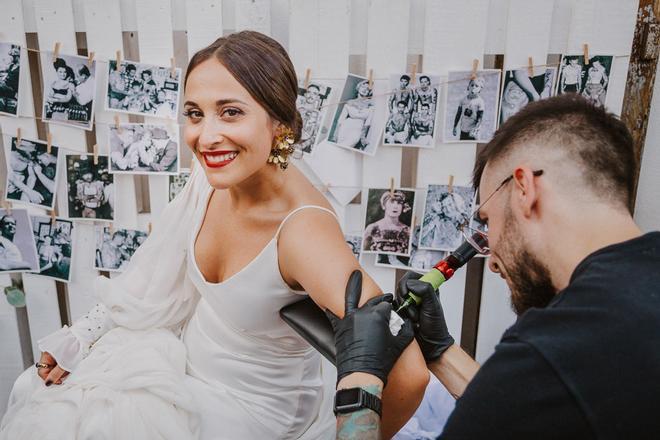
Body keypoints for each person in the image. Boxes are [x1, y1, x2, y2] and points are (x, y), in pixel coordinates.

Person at [1, 31, 428, 440]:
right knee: (45, 397)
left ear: (279, 122)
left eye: (230, 112)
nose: (205, 137)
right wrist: (84, 336)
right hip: (182, 364)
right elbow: (153, 273)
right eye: (194, 113)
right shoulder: (213, 175)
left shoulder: (303, 233)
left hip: (250, 413)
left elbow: (408, 373)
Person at [330, 94, 660, 438]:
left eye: (487, 220)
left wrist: (359, 382)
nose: (492, 260)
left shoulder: (554, 349)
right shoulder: (576, 360)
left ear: (523, 189)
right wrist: (441, 352)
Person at [332, 79, 374, 151]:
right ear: (359, 87)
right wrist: (335, 134)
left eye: (367, 89)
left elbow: (367, 124)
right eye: (363, 87)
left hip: (357, 130)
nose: (364, 90)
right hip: (344, 128)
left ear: (369, 92)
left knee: (345, 147)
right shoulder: (349, 103)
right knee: (338, 148)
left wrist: (363, 137)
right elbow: (340, 120)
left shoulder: (370, 107)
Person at [453, 77, 485, 141]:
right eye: (472, 85)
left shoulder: (480, 102)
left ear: (480, 89)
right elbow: (458, 114)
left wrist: (475, 128)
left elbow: (480, 118)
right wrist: (455, 127)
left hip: (473, 132)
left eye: (476, 86)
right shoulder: (463, 100)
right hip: (463, 129)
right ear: (468, 87)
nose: (473, 87)